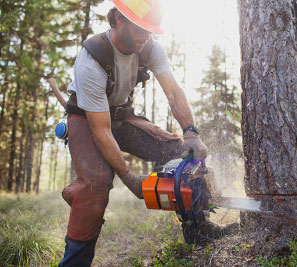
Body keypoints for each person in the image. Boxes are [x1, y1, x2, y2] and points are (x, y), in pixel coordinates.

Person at [58, 0, 207, 266]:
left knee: (180, 151)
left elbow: (172, 92)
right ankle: (74, 262)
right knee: (95, 185)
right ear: (117, 19)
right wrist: (128, 177)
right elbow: (101, 130)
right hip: (86, 119)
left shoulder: (149, 47)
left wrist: (191, 132)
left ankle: (199, 233)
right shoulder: (91, 59)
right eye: (140, 28)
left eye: (150, 30)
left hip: (121, 115)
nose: (146, 36)